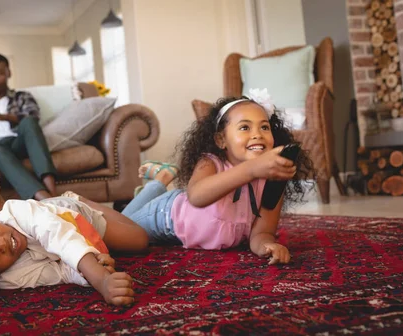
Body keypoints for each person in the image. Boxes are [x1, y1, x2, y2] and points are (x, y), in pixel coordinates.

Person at [102, 89, 313, 265]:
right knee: (115, 235)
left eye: (264, 127)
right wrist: (252, 169)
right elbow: (197, 196)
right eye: (245, 127)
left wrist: (267, 246)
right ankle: (88, 203)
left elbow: (261, 233)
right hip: (163, 216)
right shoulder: (211, 162)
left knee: (123, 234)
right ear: (221, 139)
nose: (257, 134)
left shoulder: (272, 179)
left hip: (182, 231)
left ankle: (160, 180)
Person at [0, 152, 149, 306]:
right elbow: (59, 273)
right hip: (75, 237)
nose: (1, 244)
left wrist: (102, 282)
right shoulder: (8, 280)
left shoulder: (17, 212)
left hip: (74, 217)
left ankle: (85, 199)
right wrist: (90, 272)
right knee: (133, 221)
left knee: (140, 239)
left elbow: (60, 236)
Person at [0, 53, 57, 200]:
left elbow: (33, 117)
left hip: (17, 143)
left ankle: (52, 190)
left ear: (8, 73)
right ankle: (45, 199)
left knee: (28, 122)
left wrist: (3, 117)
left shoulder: (21, 96)